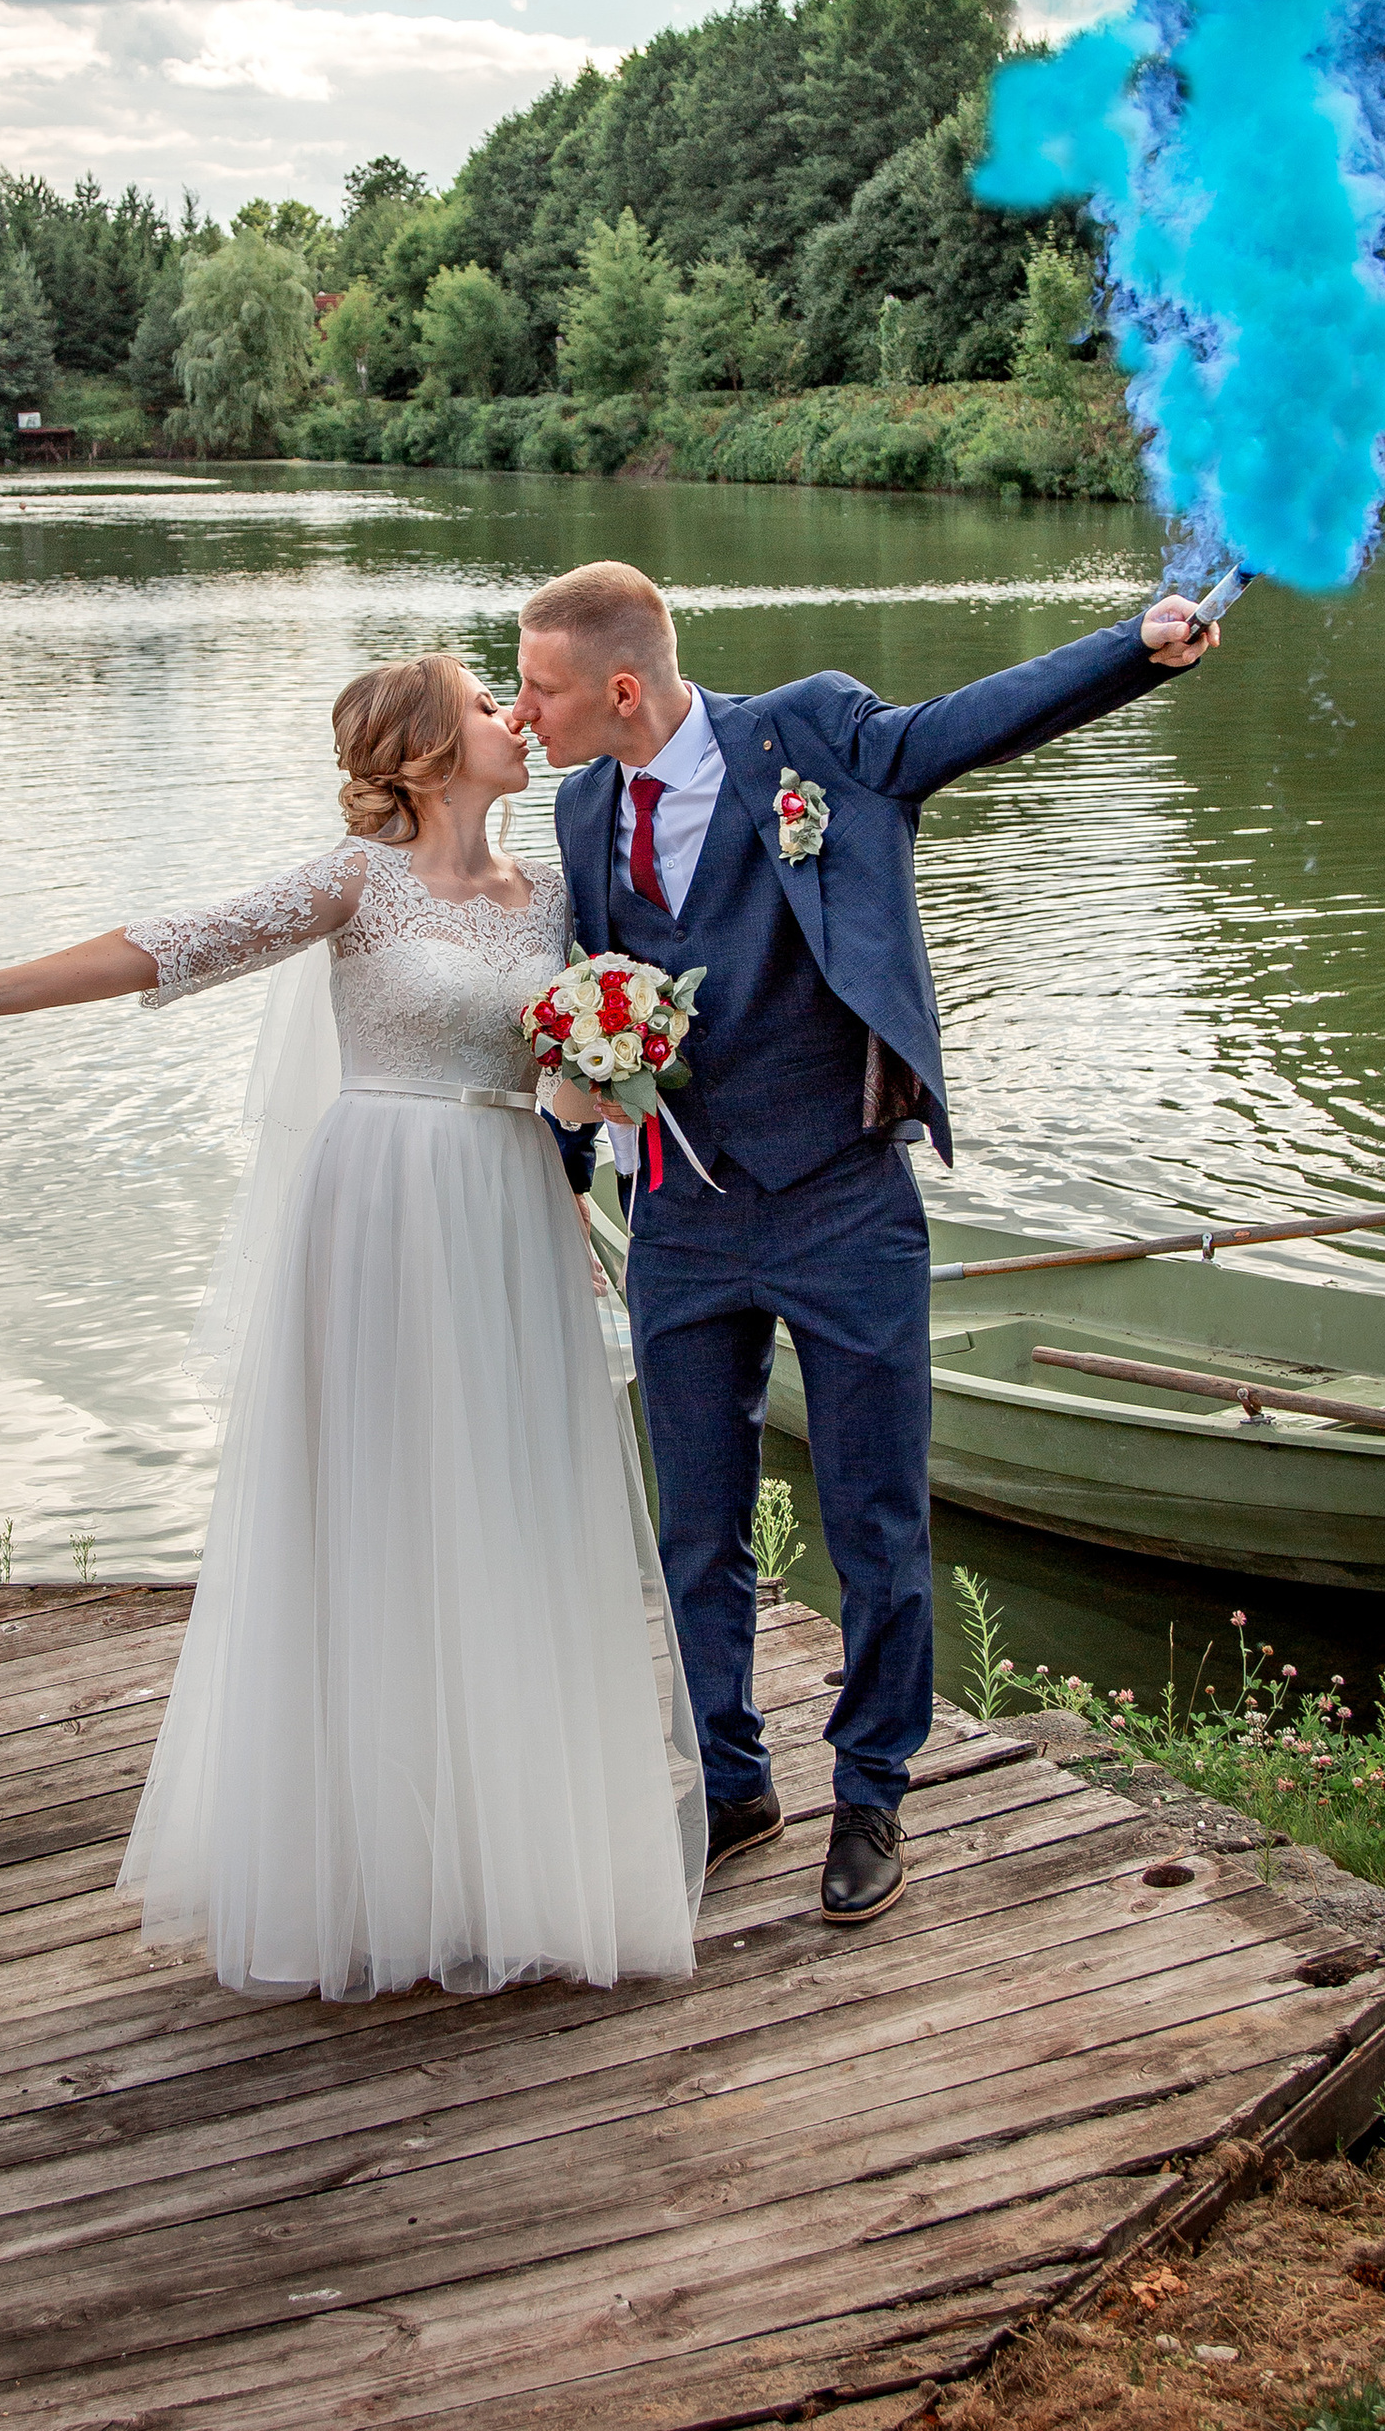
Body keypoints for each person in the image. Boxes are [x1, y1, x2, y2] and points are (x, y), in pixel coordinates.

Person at [0, 651, 705, 2004]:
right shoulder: (354, 881)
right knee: (377, 1513)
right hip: (377, 1211)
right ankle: (368, 1863)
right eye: (491, 704)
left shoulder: (553, 891)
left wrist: (607, 1075)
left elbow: (562, 1074)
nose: (518, 715)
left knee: (505, 1511)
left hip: (504, 1209)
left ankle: (508, 1860)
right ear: (433, 756)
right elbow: (180, 939)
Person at [512, 562, 1217, 1932]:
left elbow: (964, 725)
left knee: (875, 1514)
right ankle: (729, 1781)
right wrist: (564, 1158)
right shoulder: (584, 801)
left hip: (845, 1195)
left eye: (538, 689)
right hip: (687, 1213)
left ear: (616, 686)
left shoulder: (813, 736)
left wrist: (1133, 650)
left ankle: (873, 1790)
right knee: (695, 1522)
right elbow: (591, 1015)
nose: (522, 709)